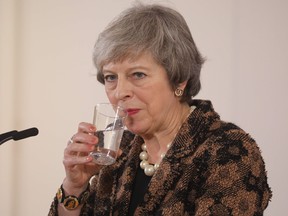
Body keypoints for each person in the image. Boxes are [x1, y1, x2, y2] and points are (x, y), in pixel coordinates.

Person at [49, 3, 272, 215]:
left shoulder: (228, 151)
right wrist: (75, 187)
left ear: (179, 79)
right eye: (110, 77)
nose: (119, 92)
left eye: (138, 74)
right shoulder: (119, 150)